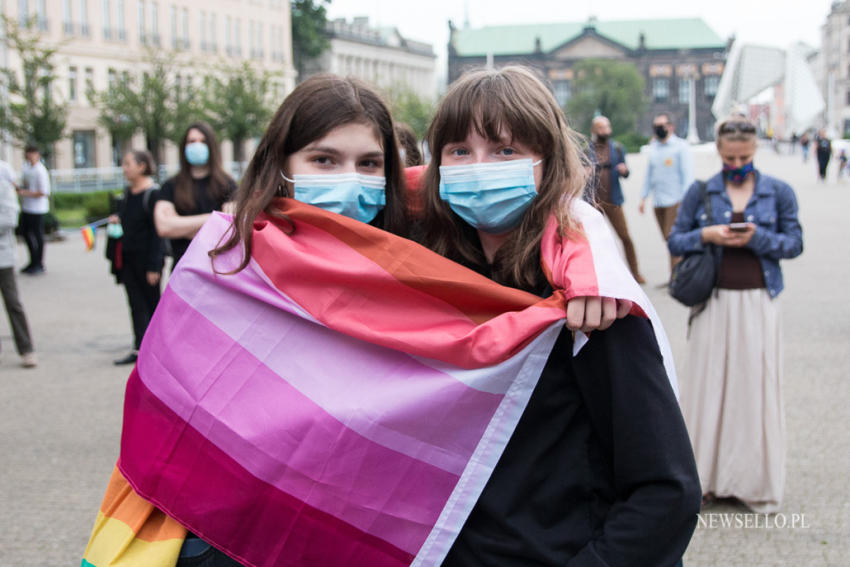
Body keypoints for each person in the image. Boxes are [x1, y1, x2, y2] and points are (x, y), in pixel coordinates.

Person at [84, 74, 640, 567]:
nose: (349, 180)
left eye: (369, 164)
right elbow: (164, 406)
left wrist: (587, 255)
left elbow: (551, 201)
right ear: (281, 165)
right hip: (211, 530)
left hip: (342, 531)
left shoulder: (404, 258)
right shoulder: (227, 257)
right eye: (324, 161)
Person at [418, 66, 700, 566]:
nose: (480, 167)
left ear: (546, 162)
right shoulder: (428, 281)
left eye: (505, 151)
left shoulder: (592, 303)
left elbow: (665, 491)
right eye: (460, 150)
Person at [668, 116, 803, 513]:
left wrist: (757, 237)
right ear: (719, 152)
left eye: (743, 155)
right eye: (729, 157)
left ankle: (753, 482)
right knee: (708, 388)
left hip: (759, 300)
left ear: (756, 150)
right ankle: (704, 480)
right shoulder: (701, 191)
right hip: (714, 301)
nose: (736, 162)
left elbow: (795, 244)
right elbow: (676, 237)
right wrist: (708, 235)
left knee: (755, 389)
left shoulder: (778, 191)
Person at [153, 122, 237, 269]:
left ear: (211, 146)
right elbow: (164, 227)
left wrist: (180, 225)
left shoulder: (227, 185)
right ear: (184, 147)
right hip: (182, 268)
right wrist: (213, 218)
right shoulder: (171, 186)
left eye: (203, 141)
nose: (197, 146)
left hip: (217, 269)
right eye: (192, 141)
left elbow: (229, 228)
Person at [108, 150, 165, 366]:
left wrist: (154, 265)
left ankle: (158, 350)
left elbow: (157, 233)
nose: (124, 168)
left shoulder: (153, 195)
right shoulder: (127, 194)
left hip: (147, 261)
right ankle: (139, 347)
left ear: (142, 166)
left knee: (153, 305)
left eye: (128, 163)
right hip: (128, 260)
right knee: (134, 304)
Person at [586, 115, 646, 283]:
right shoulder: (586, 150)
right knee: (593, 241)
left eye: (607, 127)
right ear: (594, 130)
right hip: (593, 202)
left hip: (613, 200)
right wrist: (585, 173)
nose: (605, 131)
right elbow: (577, 175)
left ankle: (635, 272)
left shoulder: (617, 148)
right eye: (601, 128)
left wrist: (624, 171)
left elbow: (626, 173)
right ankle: (597, 275)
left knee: (625, 236)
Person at [640, 112, 694, 281]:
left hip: (675, 200)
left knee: (672, 239)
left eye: (662, 125)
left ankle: (677, 278)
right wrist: (643, 197)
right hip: (658, 201)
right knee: (667, 239)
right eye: (656, 126)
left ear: (671, 126)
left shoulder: (680, 147)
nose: (658, 129)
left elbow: (687, 175)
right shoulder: (654, 147)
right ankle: (681, 271)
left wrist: (686, 200)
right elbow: (649, 174)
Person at [0, 158, 37, 368]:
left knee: (12, 302)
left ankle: (26, 349)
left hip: (3, 257)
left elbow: (10, 218)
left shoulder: (2, 181)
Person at [17, 145, 51, 275]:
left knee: (38, 235)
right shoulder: (26, 168)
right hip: (26, 207)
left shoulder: (40, 170)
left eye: (32, 153)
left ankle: (39, 263)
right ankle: (33, 260)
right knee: (25, 233)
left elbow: (43, 192)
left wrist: (26, 193)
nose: (30, 156)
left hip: (38, 208)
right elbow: (25, 184)